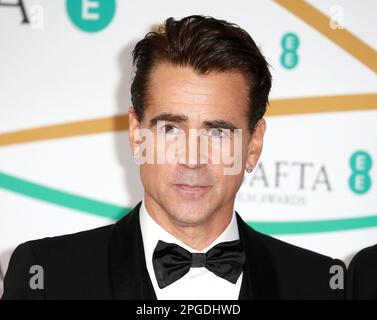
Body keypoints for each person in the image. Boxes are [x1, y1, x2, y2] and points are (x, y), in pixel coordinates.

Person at [2, 15, 345, 300]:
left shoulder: (320, 284)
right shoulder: (48, 276)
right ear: (137, 135)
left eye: (218, 132)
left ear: (253, 145)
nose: (192, 159)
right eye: (170, 129)